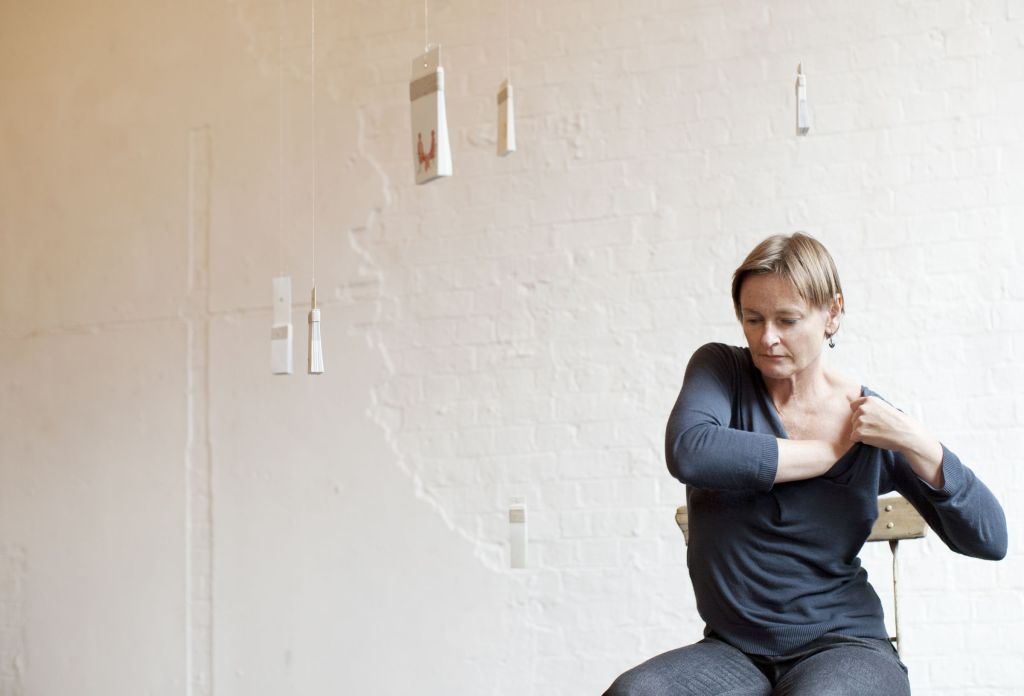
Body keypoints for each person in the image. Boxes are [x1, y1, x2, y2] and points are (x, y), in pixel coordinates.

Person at [605, 232, 1007, 696]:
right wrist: (829, 452)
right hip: (733, 652)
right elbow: (690, 451)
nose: (767, 338)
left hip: (845, 648)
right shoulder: (722, 373)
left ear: (832, 314)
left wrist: (919, 442)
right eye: (753, 319)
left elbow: (989, 539)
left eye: (787, 320)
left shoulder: (869, 421)